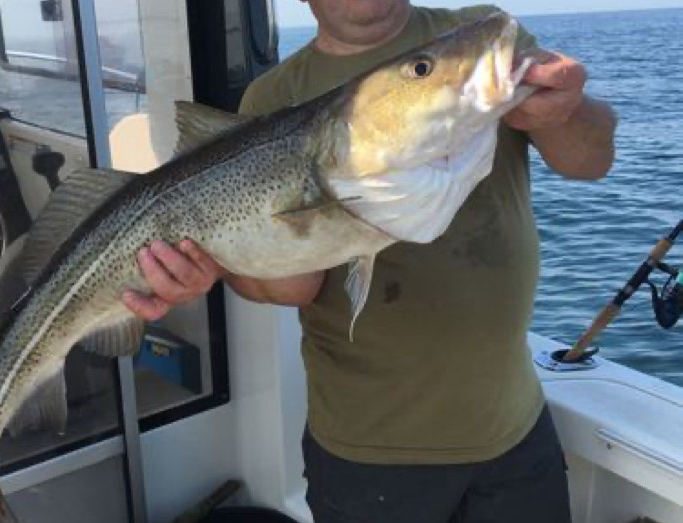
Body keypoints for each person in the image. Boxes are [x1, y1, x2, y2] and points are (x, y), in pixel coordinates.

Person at [121, 1, 618, 521]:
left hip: (515, 428)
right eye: (421, 70)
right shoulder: (275, 96)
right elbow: (296, 287)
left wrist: (569, 110)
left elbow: (591, 161)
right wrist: (218, 263)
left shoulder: (473, 40)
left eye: (420, 69)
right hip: (367, 450)